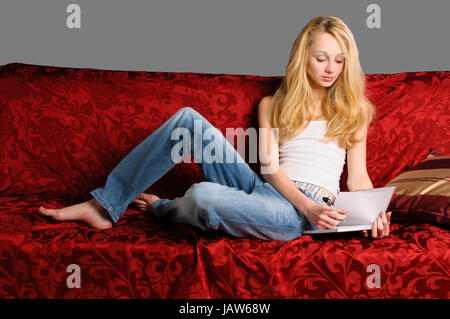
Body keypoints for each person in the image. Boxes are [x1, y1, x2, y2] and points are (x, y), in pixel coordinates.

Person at [38, 16, 392, 241]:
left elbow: (358, 180)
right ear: (304, 58)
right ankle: (105, 206)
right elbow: (268, 167)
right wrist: (303, 202)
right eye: (322, 58)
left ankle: (165, 208)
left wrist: (372, 217)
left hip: (299, 214)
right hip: (267, 187)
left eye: (340, 59)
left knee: (205, 195)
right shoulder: (273, 104)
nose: (331, 68)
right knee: (188, 120)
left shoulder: (354, 112)